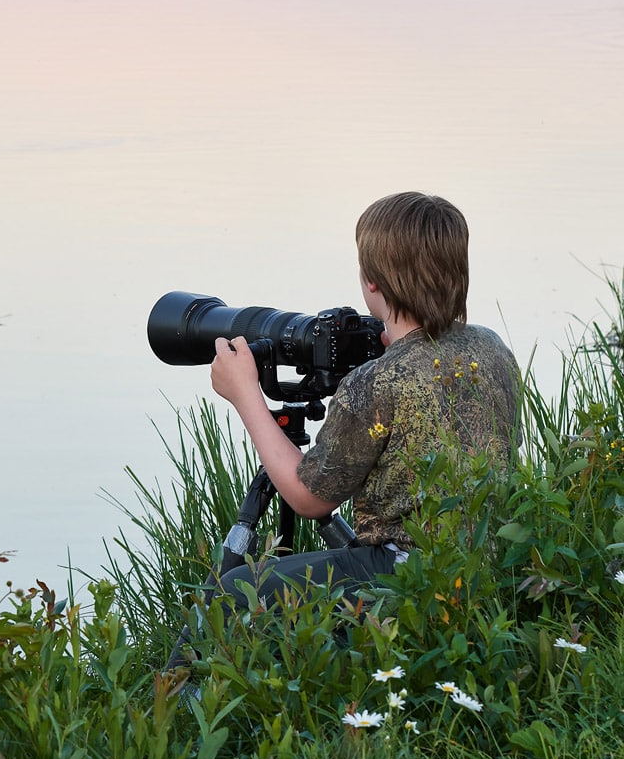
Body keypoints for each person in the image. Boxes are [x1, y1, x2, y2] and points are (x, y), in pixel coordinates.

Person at [206, 191, 521, 609]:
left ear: (371, 281)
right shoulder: (492, 347)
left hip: (410, 574)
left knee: (236, 588)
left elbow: (308, 497)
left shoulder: (377, 381)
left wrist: (246, 393)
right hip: (492, 556)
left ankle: (184, 676)